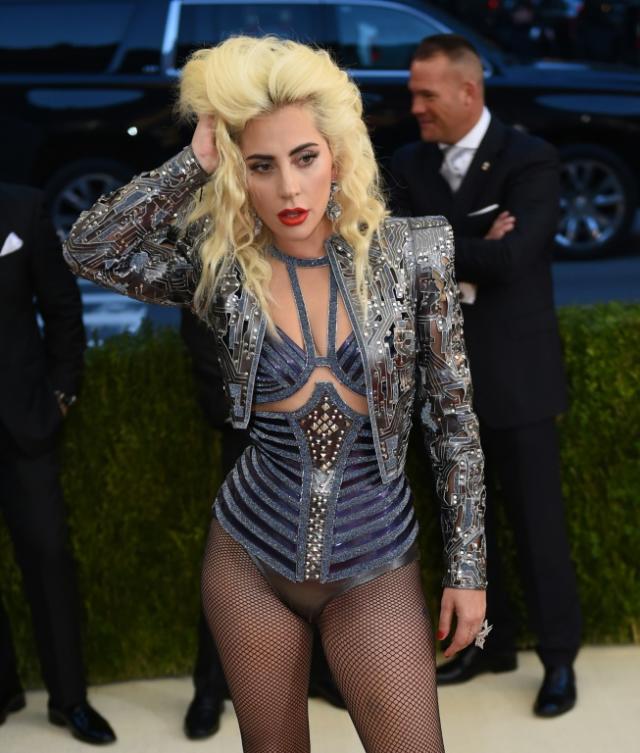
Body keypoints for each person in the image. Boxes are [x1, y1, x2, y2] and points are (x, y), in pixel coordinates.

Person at [64, 36, 487, 753]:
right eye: (261, 165)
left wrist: (468, 569)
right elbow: (90, 247)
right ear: (237, 170)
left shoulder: (417, 253)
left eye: (304, 158)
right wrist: (192, 161)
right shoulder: (219, 270)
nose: (290, 190)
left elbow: (452, 421)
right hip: (248, 557)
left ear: (338, 155)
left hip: (376, 557)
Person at [389, 33, 582, 718]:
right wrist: (473, 245)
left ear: (468, 92)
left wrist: (436, 245)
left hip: (518, 378)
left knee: (538, 525)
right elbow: (391, 254)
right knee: (462, 526)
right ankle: (485, 645)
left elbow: (515, 258)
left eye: (425, 94)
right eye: (413, 92)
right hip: (438, 387)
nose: (413, 106)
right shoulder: (406, 163)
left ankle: (558, 661)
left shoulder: (531, 158)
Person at [179, 309, 345, 740]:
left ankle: (322, 673)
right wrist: (242, 410)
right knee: (236, 559)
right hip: (251, 433)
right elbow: (202, 332)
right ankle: (210, 689)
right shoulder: (223, 254)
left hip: (322, 432)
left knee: (327, 550)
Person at [0, 183, 116, 744]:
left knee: (48, 557)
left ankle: (69, 700)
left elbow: (62, 308)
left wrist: (61, 395)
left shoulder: (21, 208)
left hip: (24, 422)